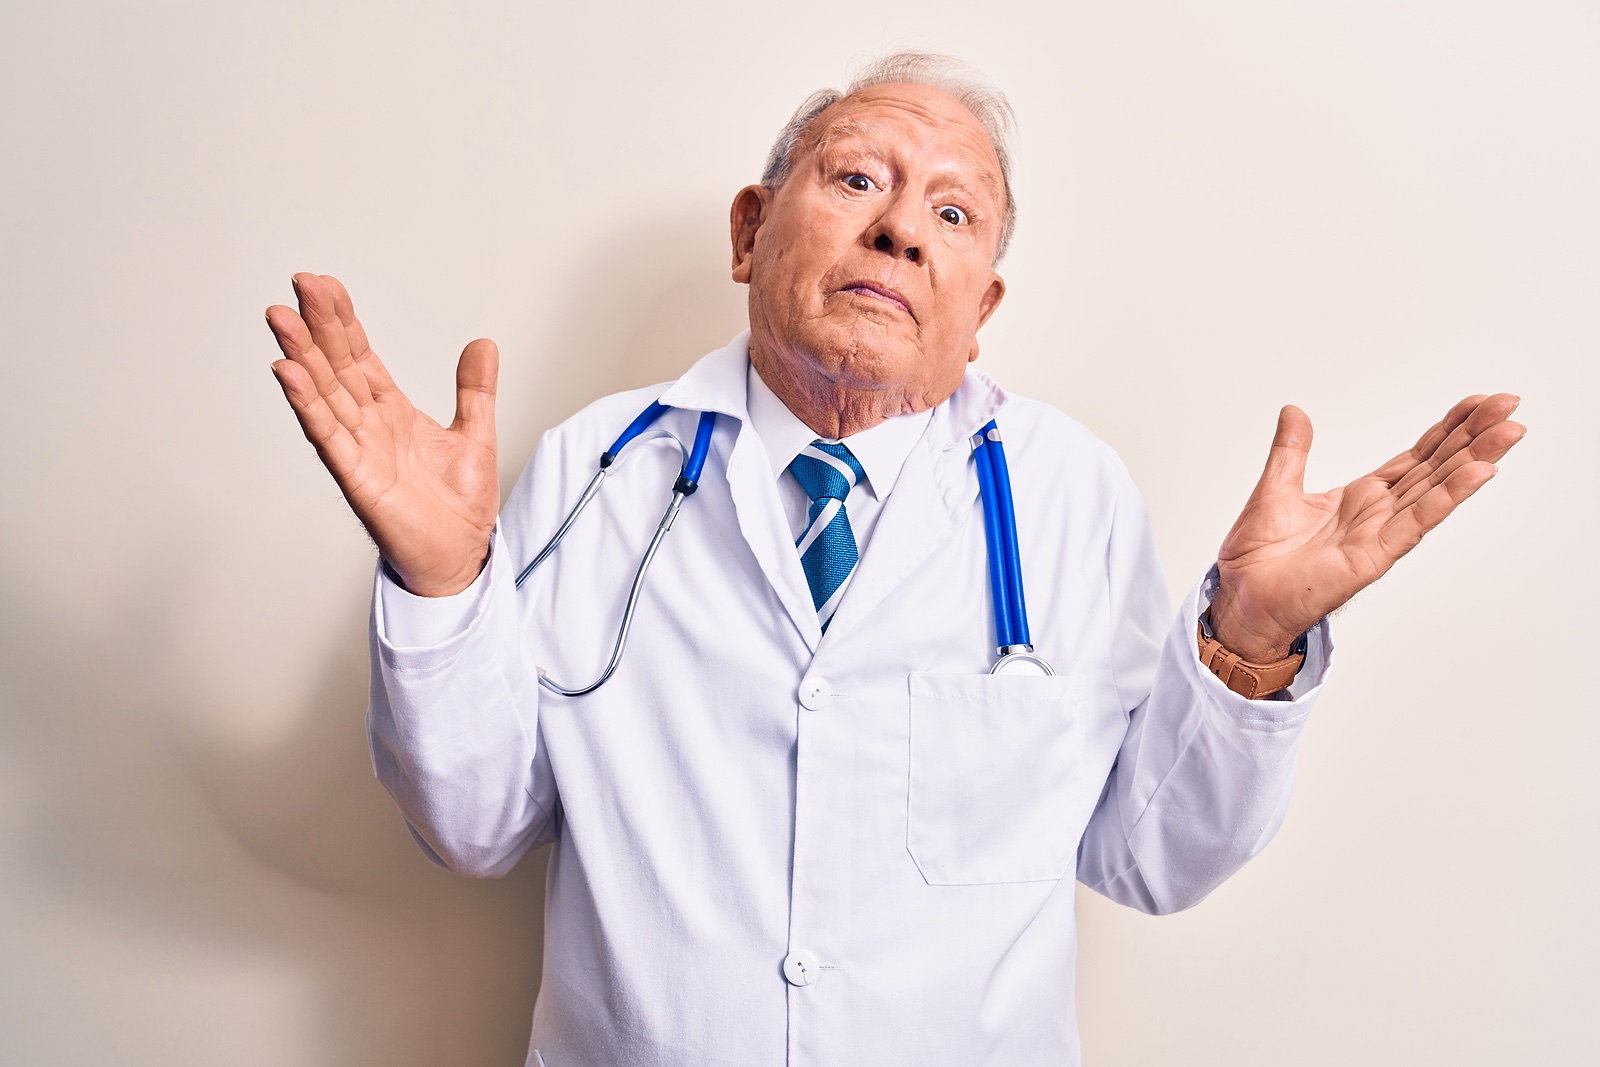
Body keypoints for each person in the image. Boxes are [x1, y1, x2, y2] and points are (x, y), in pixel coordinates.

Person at [265, 52, 1524, 1066]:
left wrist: (1246, 645)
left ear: (981, 307)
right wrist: (442, 584)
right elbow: (480, 825)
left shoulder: (1068, 492)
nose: (902, 231)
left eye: (952, 213)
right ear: (751, 230)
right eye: (857, 178)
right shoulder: (599, 465)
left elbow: (1153, 858)